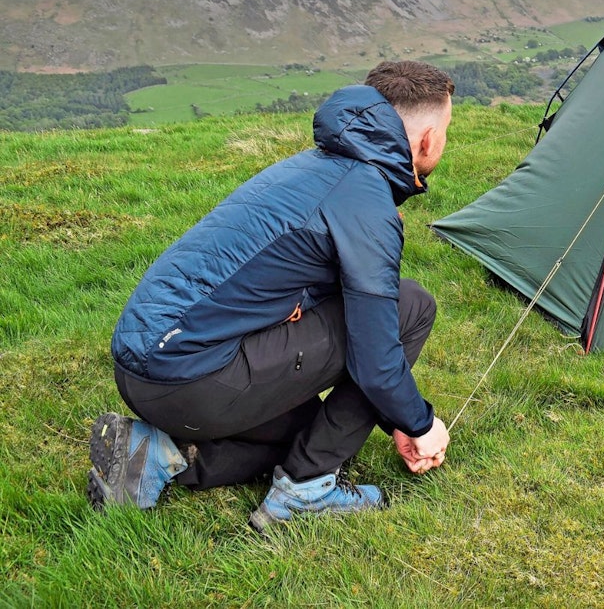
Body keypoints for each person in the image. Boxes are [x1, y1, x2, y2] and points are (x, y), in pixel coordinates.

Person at [89, 60, 455, 531]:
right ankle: (306, 489)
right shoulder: (362, 196)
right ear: (426, 139)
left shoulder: (315, 167)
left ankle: (156, 455)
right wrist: (420, 424)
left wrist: (392, 420)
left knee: (315, 431)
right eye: (446, 128)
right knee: (412, 305)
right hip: (194, 380)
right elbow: (375, 351)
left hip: (147, 372)